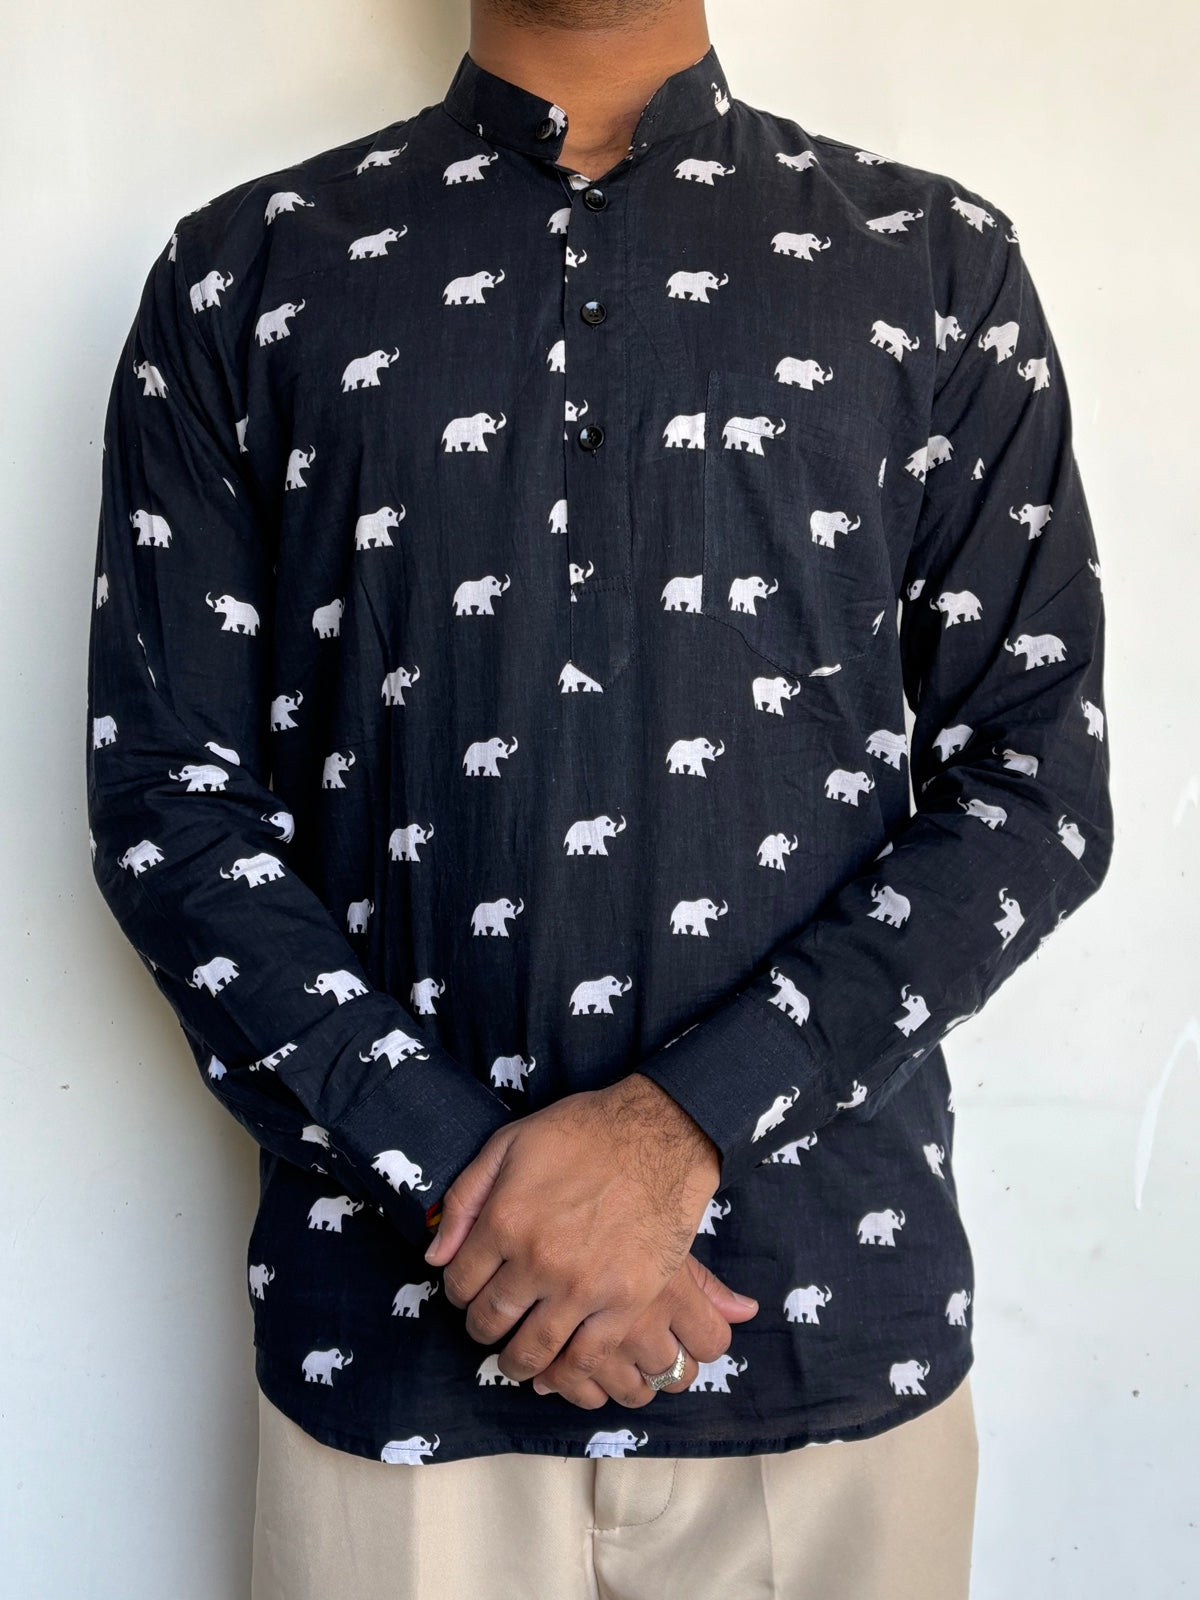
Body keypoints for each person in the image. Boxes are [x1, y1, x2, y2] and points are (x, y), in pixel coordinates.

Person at [85, 0, 1114, 1594]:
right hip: (393, 1357)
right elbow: (169, 797)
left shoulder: (933, 263)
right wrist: (475, 1184)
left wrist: (673, 1136)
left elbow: (1035, 777)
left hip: (825, 1341)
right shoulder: (247, 274)